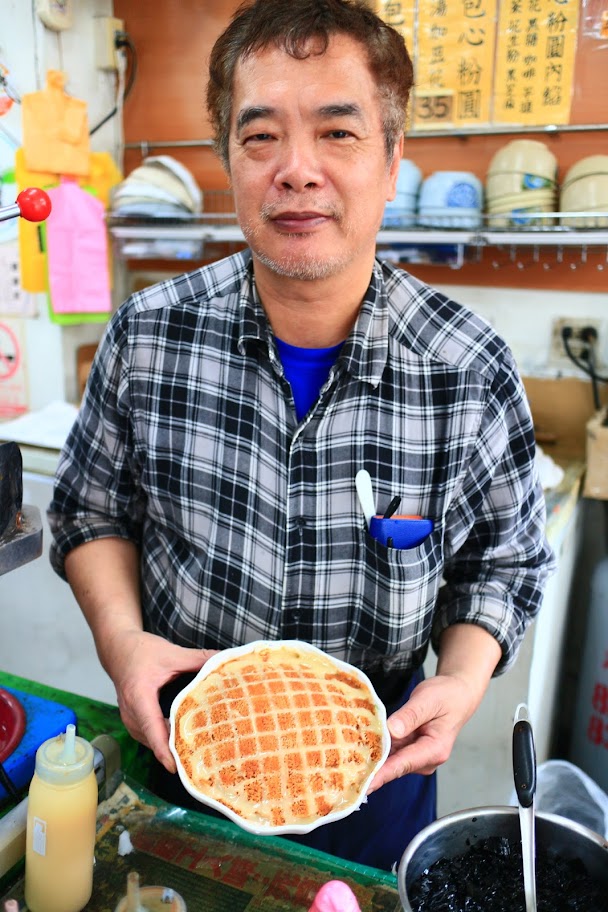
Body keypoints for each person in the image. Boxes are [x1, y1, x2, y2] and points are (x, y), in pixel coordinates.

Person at [48, 0, 555, 872]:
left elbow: (504, 566)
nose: (296, 171)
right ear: (228, 159)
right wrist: (122, 643)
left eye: (338, 133)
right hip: (180, 751)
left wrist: (462, 679)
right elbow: (90, 513)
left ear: (391, 161)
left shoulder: (467, 367)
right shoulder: (149, 334)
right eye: (260, 137)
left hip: (375, 776)